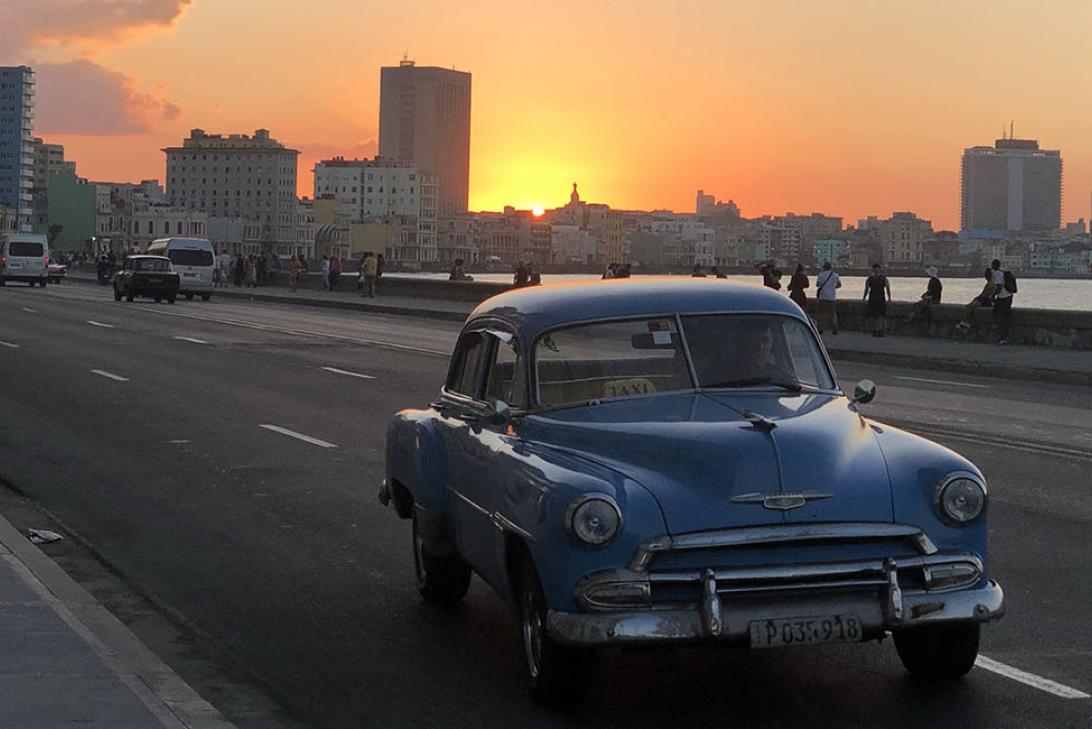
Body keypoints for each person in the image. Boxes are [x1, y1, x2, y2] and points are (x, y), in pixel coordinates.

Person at [989, 258, 1015, 344]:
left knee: (999, 315)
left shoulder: (997, 274)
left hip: (1003, 298)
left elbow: (999, 287)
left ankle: (1003, 335)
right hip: (1008, 296)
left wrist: (992, 296)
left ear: (994, 266)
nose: (992, 267)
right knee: (1004, 317)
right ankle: (1003, 335)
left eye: (992, 265)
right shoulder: (1002, 272)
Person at [863, 263, 891, 337]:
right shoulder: (869, 279)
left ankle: (879, 330)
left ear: (879, 269)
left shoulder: (884, 278)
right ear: (873, 270)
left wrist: (889, 298)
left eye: (877, 269)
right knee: (873, 316)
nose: (876, 270)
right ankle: (875, 330)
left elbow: (888, 289)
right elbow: (866, 289)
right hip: (872, 298)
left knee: (880, 315)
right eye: (875, 269)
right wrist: (864, 298)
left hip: (881, 298)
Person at [815, 261, 841, 334]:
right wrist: (832, 287)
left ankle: (820, 328)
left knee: (821, 313)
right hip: (832, 297)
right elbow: (839, 285)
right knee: (833, 313)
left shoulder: (820, 274)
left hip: (822, 297)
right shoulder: (835, 275)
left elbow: (817, 284)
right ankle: (835, 327)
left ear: (824, 267)